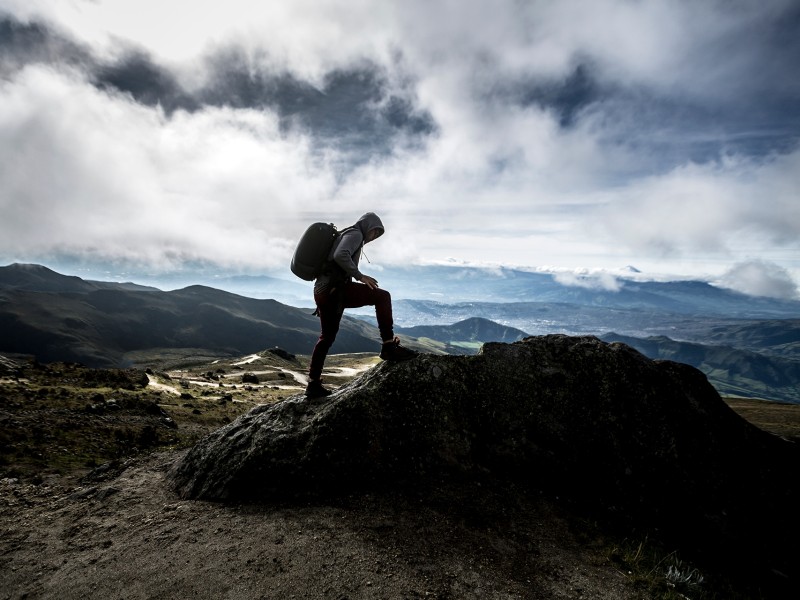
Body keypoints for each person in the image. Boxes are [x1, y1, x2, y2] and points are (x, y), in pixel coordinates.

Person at [305, 212, 417, 398]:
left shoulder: (347, 233)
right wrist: (360, 276)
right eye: (374, 231)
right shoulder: (355, 234)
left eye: (377, 234)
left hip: (323, 290)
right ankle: (389, 346)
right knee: (382, 297)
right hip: (335, 290)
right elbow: (340, 254)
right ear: (367, 226)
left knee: (326, 338)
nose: (374, 236)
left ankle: (313, 384)